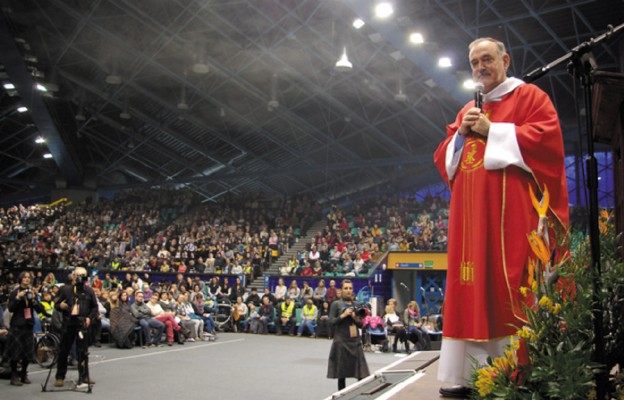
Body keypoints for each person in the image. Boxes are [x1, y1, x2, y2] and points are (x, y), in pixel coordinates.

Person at [433, 37, 569, 398]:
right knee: (468, 289)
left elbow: (548, 142)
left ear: (505, 60)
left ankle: (516, 372)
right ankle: (464, 375)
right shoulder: (467, 110)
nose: (480, 67)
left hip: (511, 221)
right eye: (475, 62)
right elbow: (445, 160)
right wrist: (461, 135)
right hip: (468, 224)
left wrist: (492, 131)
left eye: (487, 59)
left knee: (509, 288)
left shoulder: (530, 98)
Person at [54, 267, 99, 388]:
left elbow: (95, 307)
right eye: (78, 275)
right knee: (64, 350)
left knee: (83, 352)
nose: (80, 278)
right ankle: (60, 377)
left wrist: (90, 317)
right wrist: (61, 306)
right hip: (68, 324)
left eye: (83, 275)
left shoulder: (89, 291)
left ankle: (84, 376)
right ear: (73, 276)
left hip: (82, 324)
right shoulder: (66, 290)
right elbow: (56, 304)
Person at [326, 279, 370, 391]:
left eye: (350, 288)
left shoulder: (357, 304)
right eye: (345, 288)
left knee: (361, 373)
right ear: (341, 290)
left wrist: (355, 318)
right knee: (342, 374)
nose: (348, 290)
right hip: (341, 342)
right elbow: (331, 322)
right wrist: (343, 315)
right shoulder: (336, 304)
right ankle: (342, 396)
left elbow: (361, 325)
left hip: (355, 342)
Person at [6, 272, 48, 386]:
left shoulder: (31, 292)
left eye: (28, 277)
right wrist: (18, 298)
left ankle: (24, 374)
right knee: (15, 352)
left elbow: (41, 310)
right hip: (17, 325)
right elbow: (10, 308)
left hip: (28, 325)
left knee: (27, 352)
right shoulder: (15, 291)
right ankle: (14, 376)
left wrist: (34, 300)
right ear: (20, 279)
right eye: (24, 277)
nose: (26, 279)